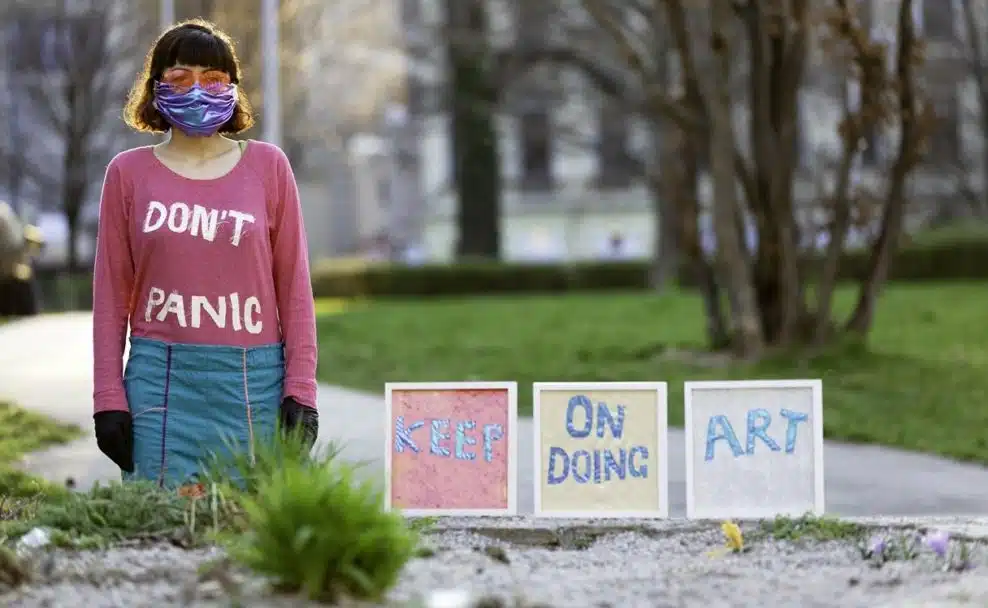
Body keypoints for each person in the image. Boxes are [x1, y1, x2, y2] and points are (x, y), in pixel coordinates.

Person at [92, 20, 319, 489]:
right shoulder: (128, 175)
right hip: (161, 385)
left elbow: (294, 287)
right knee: (160, 533)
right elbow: (111, 296)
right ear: (156, 88)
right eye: (180, 77)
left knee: (252, 532)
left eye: (213, 78)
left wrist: (301, 390)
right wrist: (108, 397)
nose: (197, 89)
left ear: (233, 88)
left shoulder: (269, 168)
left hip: (254, 383)